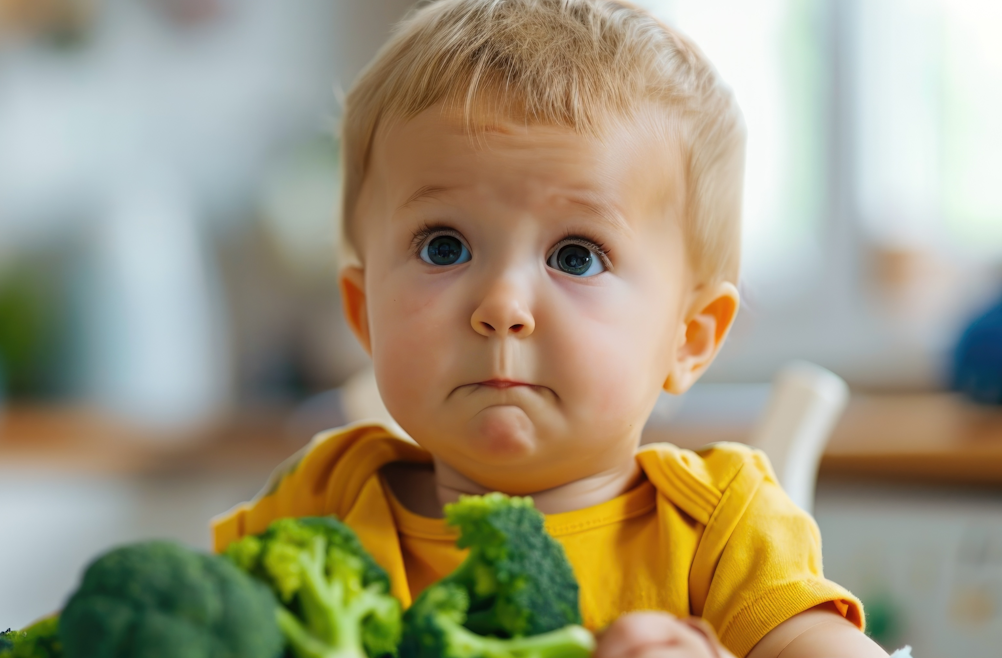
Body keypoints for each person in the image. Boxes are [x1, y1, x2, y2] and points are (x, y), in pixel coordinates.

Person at [213, 1, 888, 656]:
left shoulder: (720, 528)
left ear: (690, 337)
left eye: (576, 256)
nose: (503, 304)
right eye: (443, 247)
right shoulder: (321, 502)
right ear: (365, 314)